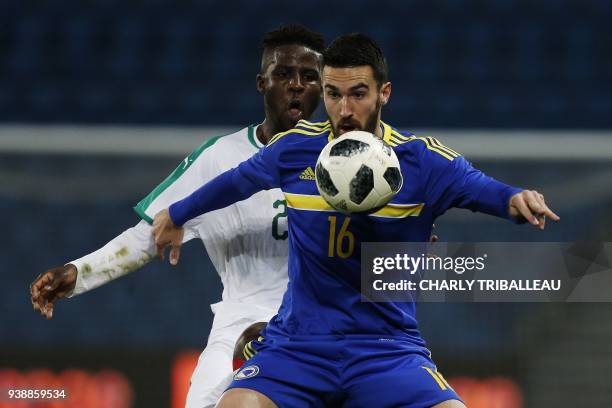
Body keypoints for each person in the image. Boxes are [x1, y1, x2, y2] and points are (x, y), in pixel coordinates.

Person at [153, 33, 559, 408]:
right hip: (298, 346)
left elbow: (482, 188)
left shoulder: (422, 161)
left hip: (387, 350)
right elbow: (237, 182)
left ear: (384, 93)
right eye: (332, 94)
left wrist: (515, 199)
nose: (344, 110)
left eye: (357, 94)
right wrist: (176, 213)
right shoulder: (295, 149)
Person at [29, 25, 325, 408]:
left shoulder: (347, 157)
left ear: (325, 87)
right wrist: (79, 272)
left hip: (326, 322)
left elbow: (385, 247)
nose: (296, 85)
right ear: (261, 83)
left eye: (309, 76)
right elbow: (151, 233)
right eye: (284, 74)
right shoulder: (220, 158)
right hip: (241, 321)